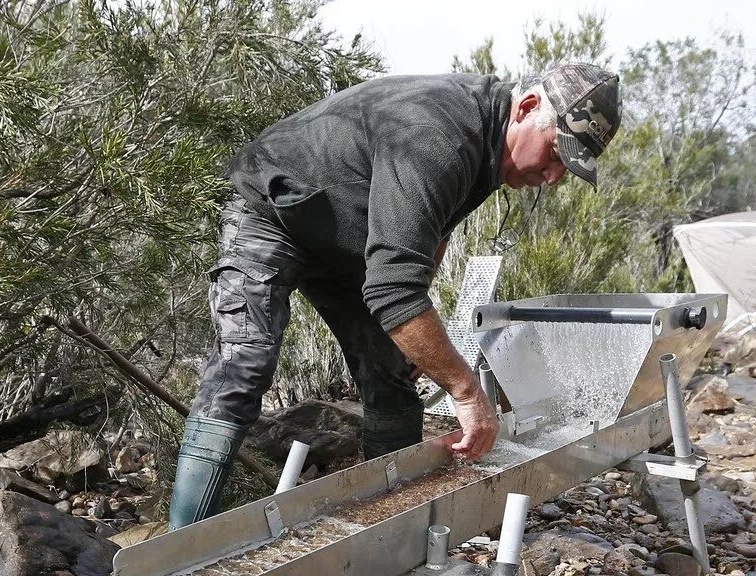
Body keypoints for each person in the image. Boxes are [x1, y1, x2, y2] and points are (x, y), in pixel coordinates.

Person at [166, 63, 622, 529]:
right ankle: (177, 546)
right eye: (555, 153)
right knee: (245, 362)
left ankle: (390, 531)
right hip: (272, 212)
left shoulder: (489, 145)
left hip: (349, 236)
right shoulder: (441, 133)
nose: (553, 177)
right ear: (525, 108)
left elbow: (426, 238)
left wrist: (414, 341)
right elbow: (393, 287)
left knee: (392, 378)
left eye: (567, 166)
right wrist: (465, 391)